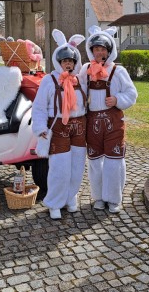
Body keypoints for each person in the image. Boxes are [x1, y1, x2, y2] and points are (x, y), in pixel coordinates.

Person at [79, 25, 137, 213]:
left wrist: (118, 99)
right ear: (91, 50)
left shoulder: (118, 71)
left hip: (113, 123)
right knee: (95, 161)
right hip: (92, 122)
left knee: (114, 160)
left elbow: (132, 93)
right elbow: (77, 91)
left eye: (103, 49)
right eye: (96, 49)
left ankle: (113, 199)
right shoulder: (85, 70)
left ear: (109, 51)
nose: (100, 52)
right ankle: (98, 197)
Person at [32, 29, 87, 219]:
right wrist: (40, 129)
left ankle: (70, 197)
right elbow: (38, 107)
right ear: (58, 62)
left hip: (79, 127)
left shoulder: (80, 80)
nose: (68, 64)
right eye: (65, 61)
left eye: (71, 61)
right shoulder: (49, 80)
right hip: (58, 128)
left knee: (77, 166)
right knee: (59, 168)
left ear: (75, 62)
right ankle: (55, 202)